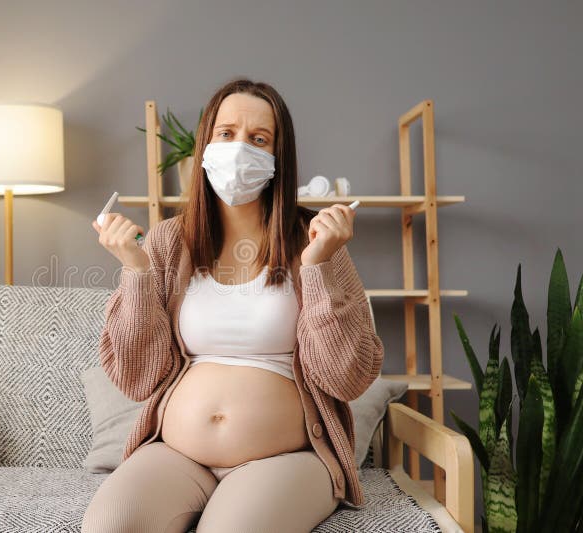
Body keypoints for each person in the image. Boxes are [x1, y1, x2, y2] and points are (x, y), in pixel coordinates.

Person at [84, 78, 384, 533]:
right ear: (206, 143)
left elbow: (348, 377)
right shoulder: (168, 240)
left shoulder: (316, 242)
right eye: (226, 134)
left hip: (285, 458)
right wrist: (136, 271)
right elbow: (136, 376)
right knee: (107, 527)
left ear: (277, 158)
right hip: (179, 454)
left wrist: (318, 266)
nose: (239, 148)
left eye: (258, 138)